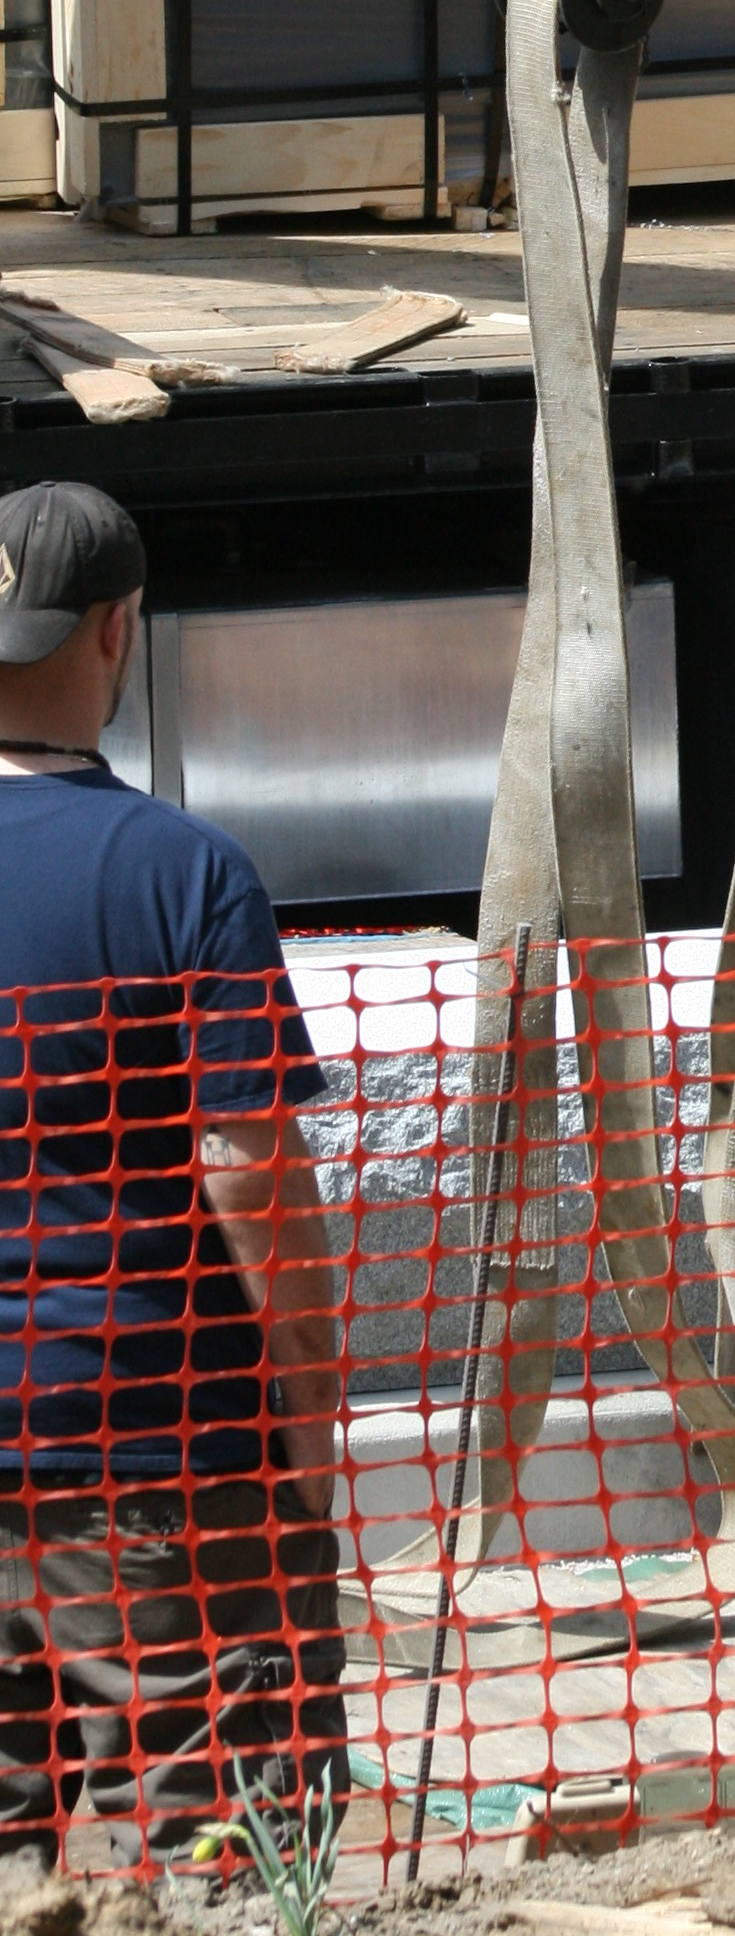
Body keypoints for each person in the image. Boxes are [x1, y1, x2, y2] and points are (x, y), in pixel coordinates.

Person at [0, 479, 344, 1857]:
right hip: (155, 1458)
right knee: (225, 1864)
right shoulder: (184, 874)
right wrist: (310, 1409)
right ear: (117, 629)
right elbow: (249, 1170)